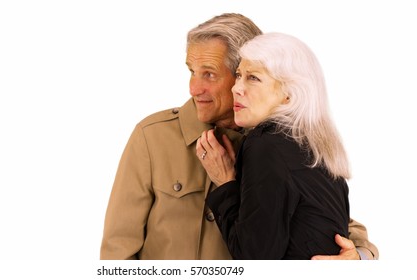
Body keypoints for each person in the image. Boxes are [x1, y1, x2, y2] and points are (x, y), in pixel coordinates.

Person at [100, 13, 378, 260]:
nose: (193, 88)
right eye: (191, 72)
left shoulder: (278, 144)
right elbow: (117, 249)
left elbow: (334, 223)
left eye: (209, 74)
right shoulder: (153, 137)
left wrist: (359, 259)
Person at [197, 32, 356, 259]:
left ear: (289, 95)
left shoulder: (266, 145)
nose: (236, 88)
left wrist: (224, 183)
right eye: (239, 75)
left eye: (253, 78)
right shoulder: (316, 145)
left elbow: (255, 259)